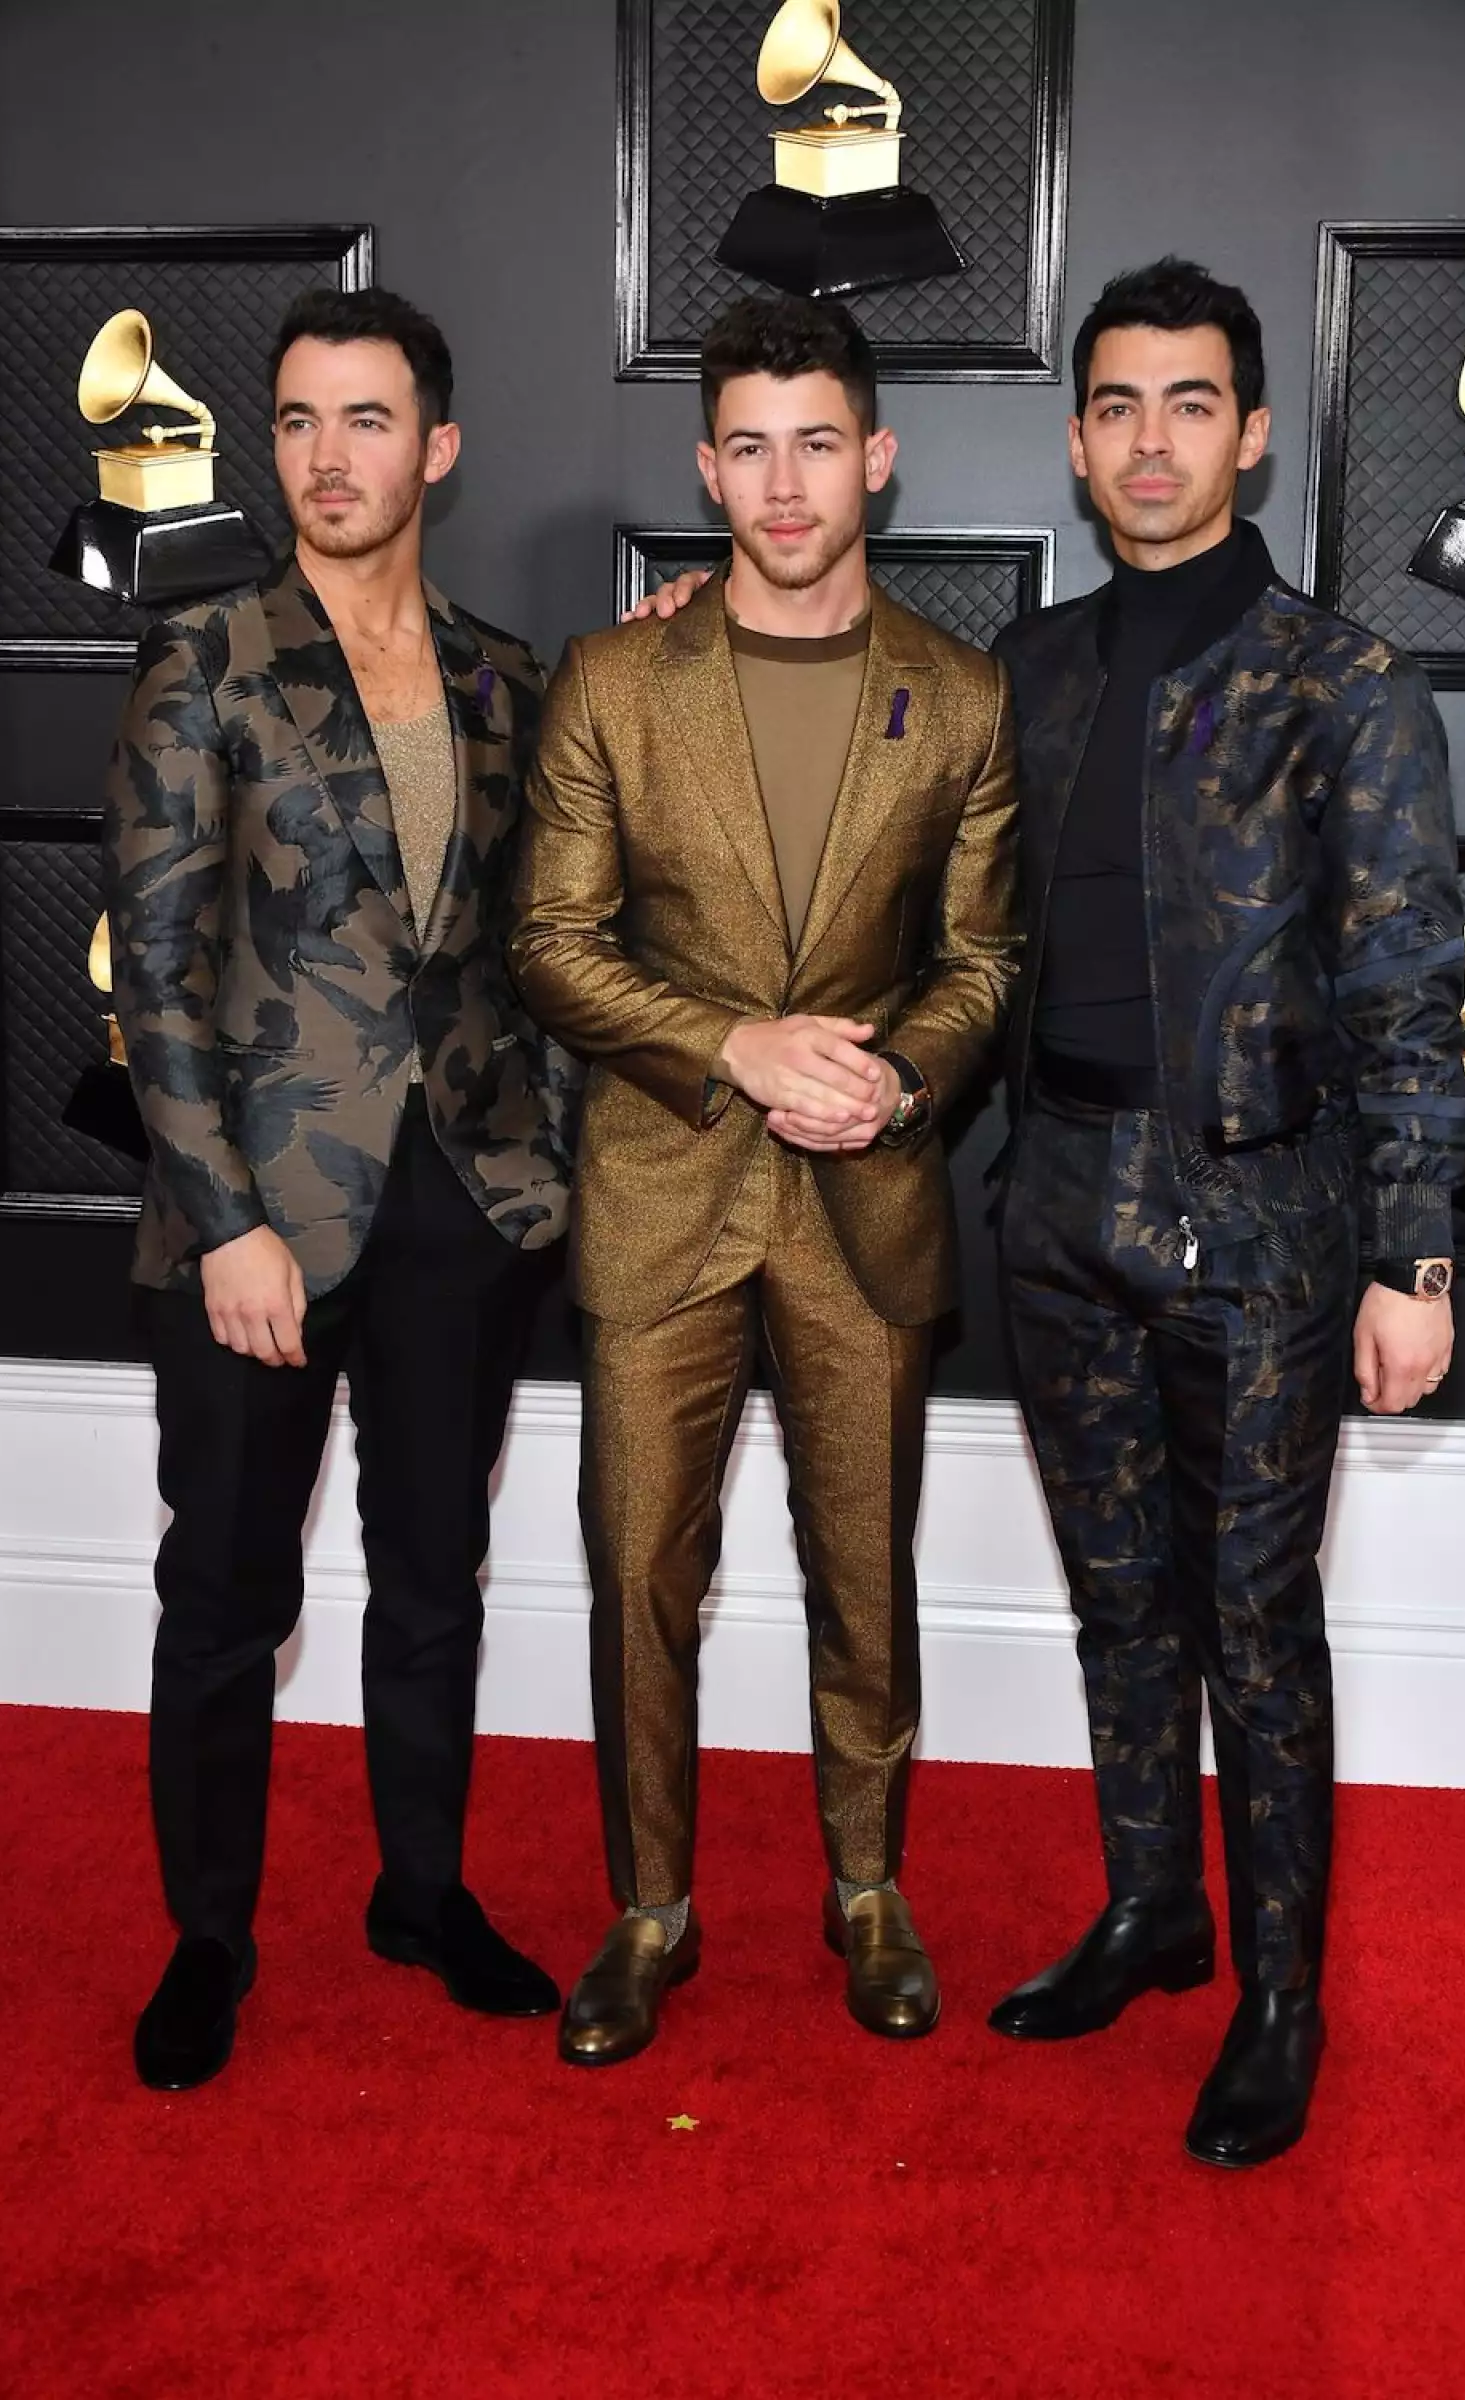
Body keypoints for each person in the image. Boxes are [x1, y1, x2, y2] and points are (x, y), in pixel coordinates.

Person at [983, 259, 1465, 2168]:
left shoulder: (1347, 684)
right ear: (1083, 438)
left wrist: (1413, 1253)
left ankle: (1282, 1996)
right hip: (1058, 1205)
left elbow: (1410, 986)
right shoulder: (1027, 673)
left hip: (1266, 1224)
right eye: (1117, 406)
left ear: (1252, 433)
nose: (1152, 441)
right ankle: (1150, 1909)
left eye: (1190, 403)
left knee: (1256, 1629)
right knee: (1118, 1606)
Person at [511, 293, 1020, 2066]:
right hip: (660, 1200)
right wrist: (731, 1046)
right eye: (750, 444)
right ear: (704, 463)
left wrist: (896, 1081)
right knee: (638, 1576)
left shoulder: (959, 697)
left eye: (820, 442)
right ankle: (650, 1910)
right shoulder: (612, 682)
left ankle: (867, 1888)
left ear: (874, 456)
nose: (785, 482)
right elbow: (552, 946)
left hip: (865, 1216)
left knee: (862, 1580)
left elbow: (984, 966)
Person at [104, 285, 577, 2091]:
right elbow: (151, 972)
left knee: (432, 1574)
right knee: (225, 1593)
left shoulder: (508, 677)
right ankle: (209, 1937)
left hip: (463, 1204)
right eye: (297, 422)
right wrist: (223, 1219)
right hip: (254, 1228)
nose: (325, 458)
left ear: (436, 448)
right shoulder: (206, 663)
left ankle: (423, 1892)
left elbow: (532, 944)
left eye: (365, 421)